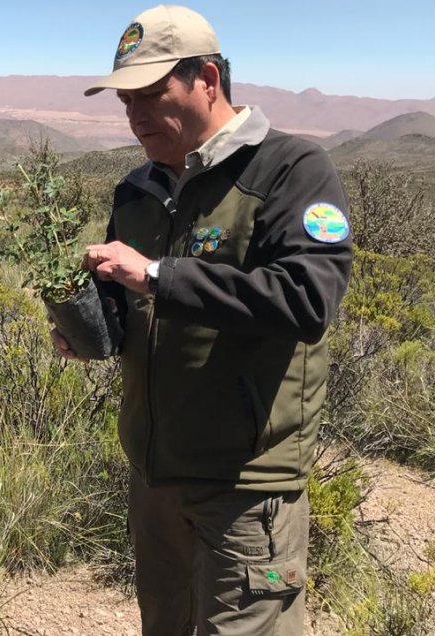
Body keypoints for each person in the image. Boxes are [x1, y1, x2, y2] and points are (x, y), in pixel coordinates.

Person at [58, 5, 353, 635]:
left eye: (151, 94)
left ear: (209, 81)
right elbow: (129, 302)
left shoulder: (291, 170)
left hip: (247, 487)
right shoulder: (137, 187)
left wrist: (160, 275)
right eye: (125, 100)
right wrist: (94, 327)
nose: (135, 115)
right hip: (154, 474)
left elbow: (307, 299)